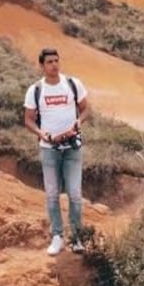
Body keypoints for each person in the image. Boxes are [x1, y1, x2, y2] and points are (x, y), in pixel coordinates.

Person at [23, 47, 90, 255]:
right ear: (42, 66)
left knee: (75, 194)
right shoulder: (35, 90)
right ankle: (57, 236)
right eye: (49, 62)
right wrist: (42, 134)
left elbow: (86, 109)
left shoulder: (72, 84)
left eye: (56, 61)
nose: (54, 65)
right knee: (52, 194)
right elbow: (28, 120)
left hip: (72, 147)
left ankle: (77, 238)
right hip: (49, 149)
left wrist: (77, 124)